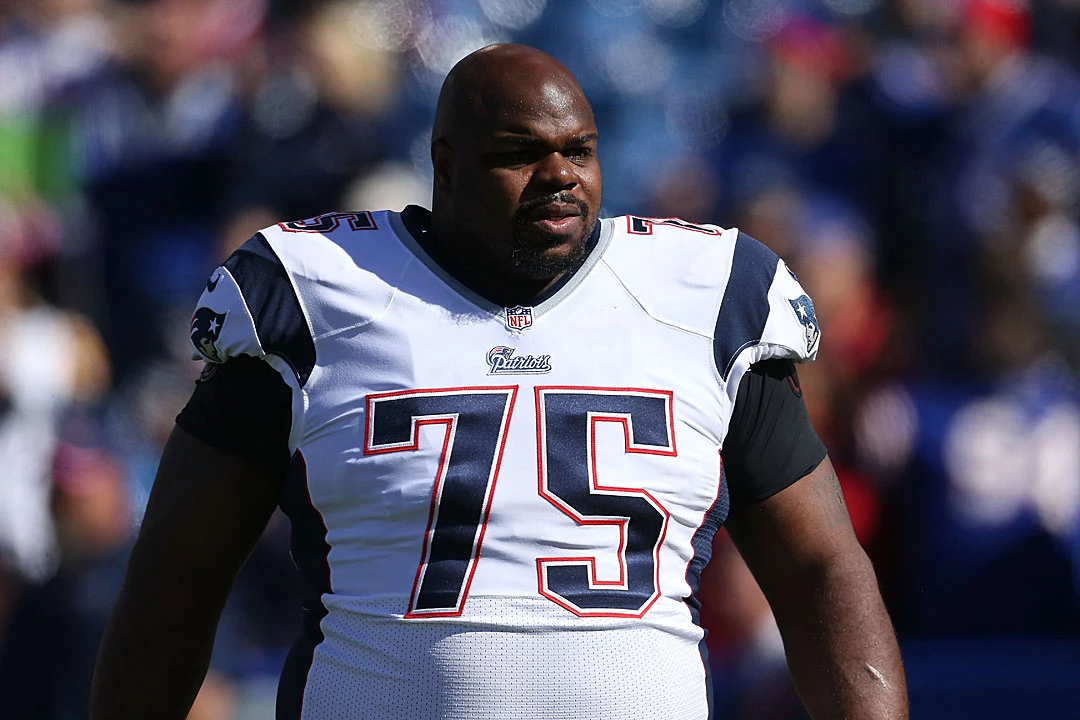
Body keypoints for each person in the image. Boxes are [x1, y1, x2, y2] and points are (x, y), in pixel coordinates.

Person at [91, 44, 908, 719]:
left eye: (578, 151)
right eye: (521, 154)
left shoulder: (704, 295)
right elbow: (178, 573)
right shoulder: (314, 292)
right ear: (444, 165)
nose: (560, 175)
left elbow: (819, 571)